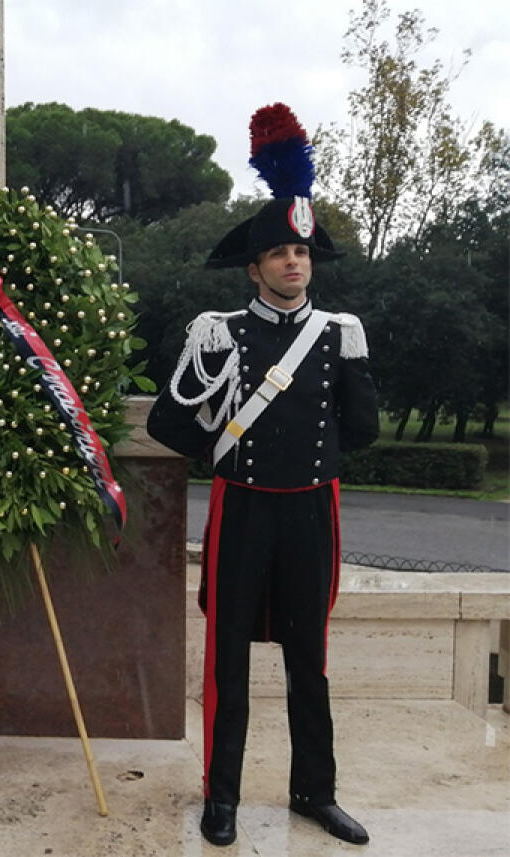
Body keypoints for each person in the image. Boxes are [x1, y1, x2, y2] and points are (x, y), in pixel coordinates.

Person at [147, 104, 378, 847]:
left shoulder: (340, 335)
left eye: (301, 252)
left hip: (311, 510)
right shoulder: (219, 332)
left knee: (311, 662)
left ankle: (316, 792)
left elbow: (364, 430)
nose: (293, 263)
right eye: (279, 253)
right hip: (243, 509)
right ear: (255, 268)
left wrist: (317, 437)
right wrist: (225, 443)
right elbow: (168, 422)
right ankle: (222, 797)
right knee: (228, 664)